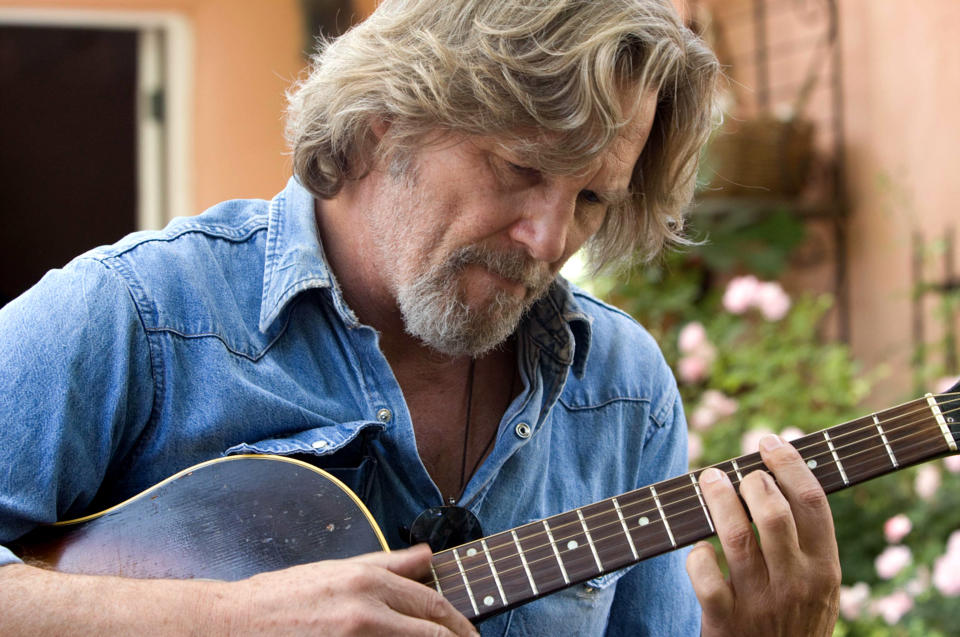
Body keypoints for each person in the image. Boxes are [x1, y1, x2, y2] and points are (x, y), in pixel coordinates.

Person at [0, 0, 841, 634]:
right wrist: (229, 616)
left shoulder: (621, 389)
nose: (550, 238)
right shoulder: (142, 313)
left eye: (591, 197)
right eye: (521, 166)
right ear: (384, 118)